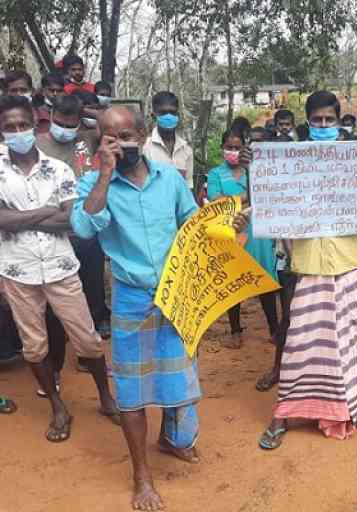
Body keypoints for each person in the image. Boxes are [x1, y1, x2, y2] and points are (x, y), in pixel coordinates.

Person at [71, 105, 247, 511]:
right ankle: (142, 476)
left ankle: (172, 438)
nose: (120, 144)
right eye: (110, 138)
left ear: (142, 132)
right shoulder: (95, 184)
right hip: (131, 299)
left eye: (126, 135)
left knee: (177, 379)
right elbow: (83, 228)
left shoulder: (170, 179)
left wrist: (227, 225)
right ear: (101, 142)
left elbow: (193, 224)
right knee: (131, 392)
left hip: (176, 294)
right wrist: (103, 173)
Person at [258, 91, 357, 450]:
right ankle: (284, 413)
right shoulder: (292, 160)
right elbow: (271, 202)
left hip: (348, 260)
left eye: (330, 119)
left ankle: (349, 407)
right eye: (317, 120)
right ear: (308, 121)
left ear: (339, 120)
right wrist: (255, 167)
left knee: (346, 339)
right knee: (299, 341)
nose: (324, 125)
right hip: (307, 262)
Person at [0, 95, 118, 442]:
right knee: (34, 346)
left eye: (22, 124)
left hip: (61, 266)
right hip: (17, 270)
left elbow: (70, 219)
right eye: (10, 127)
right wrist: (40, 216)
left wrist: (16, 220)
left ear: (32, 125)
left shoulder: (60, 169)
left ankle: (106, 398)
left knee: (89, 339)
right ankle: (57, 407)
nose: (17, 131)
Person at [37, 94, 111, 337]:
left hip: (85, 227)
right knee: (58, 290)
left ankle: (96, 325)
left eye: (72, 124)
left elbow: (109, 121)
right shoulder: (37, 144)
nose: (66, 130)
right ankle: (59, 338)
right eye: (61, 123)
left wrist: (87, 112)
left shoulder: (86, 139)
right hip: (52, 229)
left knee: (92, 283)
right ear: (51, 116)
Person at [207, 129, 280, 349]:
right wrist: (249, 196)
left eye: (237, 147)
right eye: (229, 147)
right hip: (231, 233)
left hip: (259, 234)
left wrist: (238, 200)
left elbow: (268, 195)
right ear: (222, 148)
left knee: (265, 281)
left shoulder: (256, 171)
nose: (233, 151)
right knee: (234, 284)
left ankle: (274, 329)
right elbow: (217, 201)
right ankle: (235, 331)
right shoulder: (215, 174)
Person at [142, 91, 194, 191]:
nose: (168, 116)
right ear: (154, 116)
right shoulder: (145, 148)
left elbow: (188, 186)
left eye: (172, 112)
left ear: (177, 115)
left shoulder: (186, 150)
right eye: (163, 112)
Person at [72, 90, 103, 155]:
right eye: (90, 109)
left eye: (96, 109)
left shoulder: (96, 130)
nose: (94, 112)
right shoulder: (71, 132)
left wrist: (98, 116)